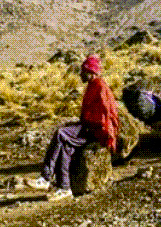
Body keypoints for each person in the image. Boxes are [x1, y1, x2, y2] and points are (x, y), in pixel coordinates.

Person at [29, 54, 118, 197]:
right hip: (90, 127)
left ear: (91, 72)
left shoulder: (100, 87)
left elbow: (104, 115)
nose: (80, 74)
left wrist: (89, 127)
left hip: (96, 131)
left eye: (83, 71)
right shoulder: (92, 86)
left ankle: (45, 177)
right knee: (65, 147)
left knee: (61, 133)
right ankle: (64, 188)